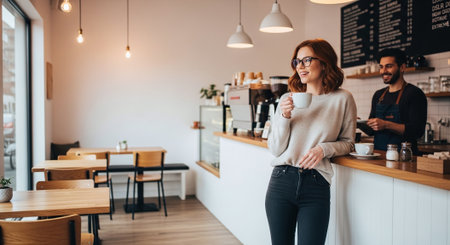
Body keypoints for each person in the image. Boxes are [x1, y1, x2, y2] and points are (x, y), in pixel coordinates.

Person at [266, 39, 356, 245]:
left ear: (324, 62)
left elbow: (349, 142)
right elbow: (275, 148)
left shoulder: (343, 98)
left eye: (307, 60)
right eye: (297, 61)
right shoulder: (287, 99)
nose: (300, 66)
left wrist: (323, 149)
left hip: (316, 185)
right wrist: (284, 117)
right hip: (281, 181)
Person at [358, 48, 427, 155]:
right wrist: (357, 123)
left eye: (389, 66)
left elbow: (417, 131)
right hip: (379, 155)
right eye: (381, 67)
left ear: (402, 67)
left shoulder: (414, 94)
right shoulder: (378, 95)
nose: (383, 71)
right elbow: (372, 130)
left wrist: (386, 124)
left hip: (405, 157)